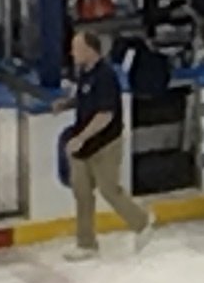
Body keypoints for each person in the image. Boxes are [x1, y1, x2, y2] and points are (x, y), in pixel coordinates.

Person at [61, 23, 149, 255]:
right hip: (84, 145)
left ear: (90, 50)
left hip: (104, 144)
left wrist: (80, 138)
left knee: (109, 190)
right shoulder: (84, 74)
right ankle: (86, 243)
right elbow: (85, 99)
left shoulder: (106, 76)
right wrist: (66, 104)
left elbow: (105, 115)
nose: (72, 53)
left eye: (76, 48)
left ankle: (142, 222)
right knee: (81, 193)